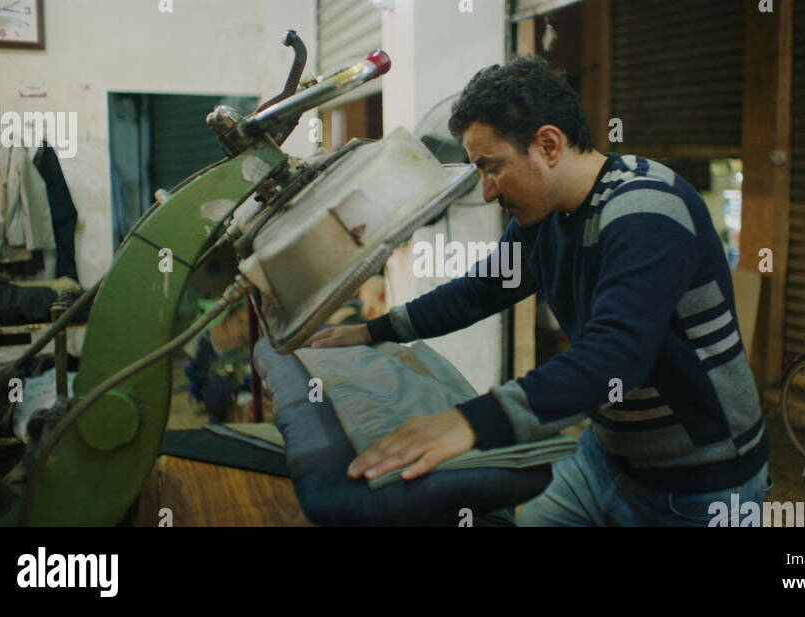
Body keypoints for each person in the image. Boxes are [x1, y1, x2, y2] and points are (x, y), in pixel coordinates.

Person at [303, 56, 772, 526]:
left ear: (548, 144)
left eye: (492, 168)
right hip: (604, 456)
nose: (486, 191)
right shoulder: (541, 218)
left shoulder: (646, 210)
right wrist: (371, 332)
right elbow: (480, 291)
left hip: (700, 483)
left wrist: (470, 422)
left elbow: (617, 354)